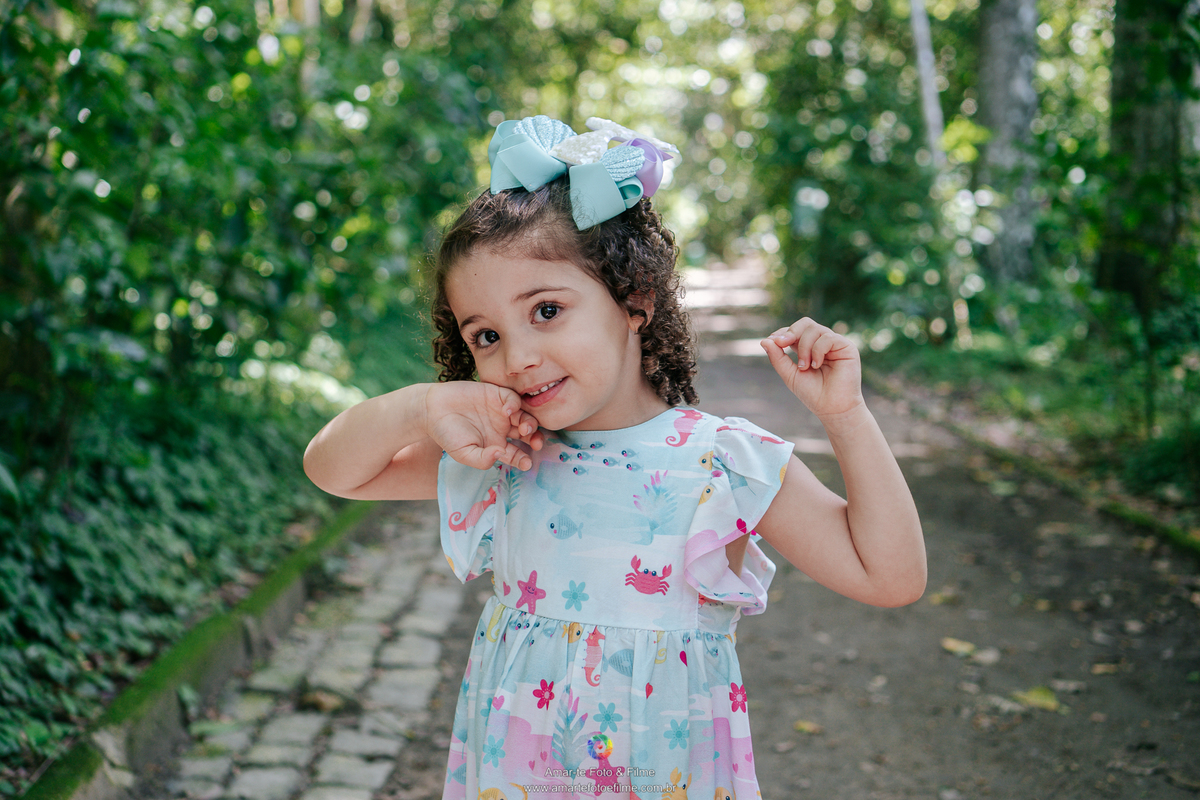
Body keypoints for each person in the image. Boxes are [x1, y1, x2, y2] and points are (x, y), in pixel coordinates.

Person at [303, 114, 925, 800]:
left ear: (635, 298)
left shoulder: (724, 462)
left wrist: (845, 415)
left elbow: (888, 576)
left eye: (545, 311)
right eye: (485, 335)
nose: (519, 356)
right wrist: (421, 407)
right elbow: (333, 469)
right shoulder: (508, 452)